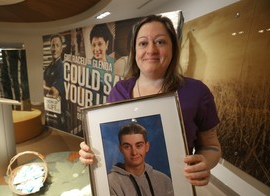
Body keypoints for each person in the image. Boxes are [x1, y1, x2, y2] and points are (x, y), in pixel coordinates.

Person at [79, 14, 221, 186]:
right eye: (143, 43)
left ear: (173, 49)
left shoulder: (197, 92)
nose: (151, 50)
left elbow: (211, 146)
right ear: (135, 51)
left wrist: (204, 162)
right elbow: (109, 142)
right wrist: (91, 151)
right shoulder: (119, 91)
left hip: (175, 191)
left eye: (160, 42)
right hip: (124, 191)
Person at [108, 122, 174, 196]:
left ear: (147, 146)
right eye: (127, 147)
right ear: (121, 149)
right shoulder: (110, 183)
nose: (134, 152)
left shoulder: (164, 180)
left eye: (139, 145)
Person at [43, 34, 68, 131]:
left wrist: (44, 87)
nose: (54, 49)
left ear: (61, 49)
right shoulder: (48, 68)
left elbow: (54, 93)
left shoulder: (62, 67)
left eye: (57, 45)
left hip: (59, 115)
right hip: (49, 111)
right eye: (53, 45)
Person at [88, 23, 115, 104]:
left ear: (106, 44)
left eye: (99, 44)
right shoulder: (88, 67)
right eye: (93, 45)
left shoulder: (113, 62)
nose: (96, 49)